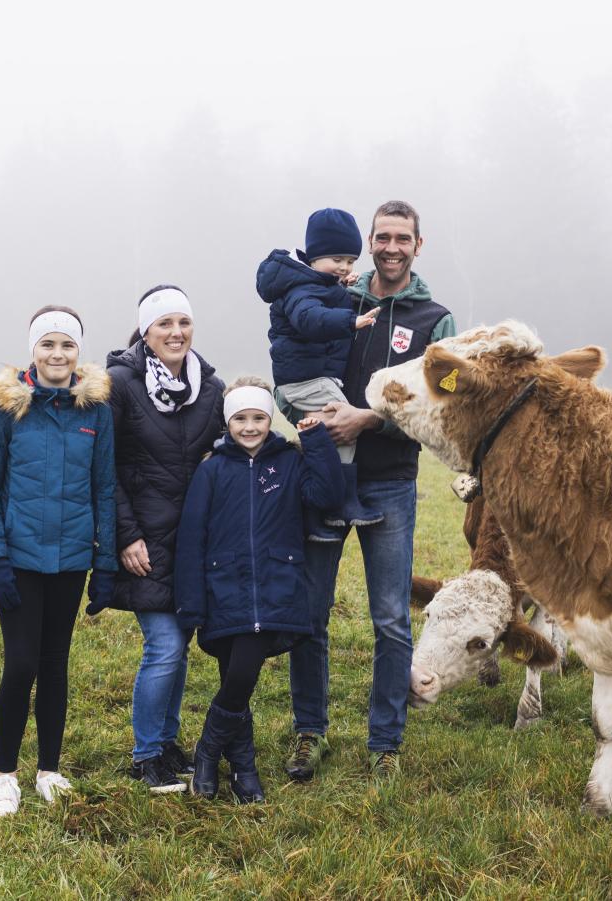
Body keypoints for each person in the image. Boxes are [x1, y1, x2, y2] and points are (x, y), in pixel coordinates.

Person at [280, 201, 457, 781]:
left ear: (418, 245)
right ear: (370, 242)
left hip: (390, 485)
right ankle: (310, 732)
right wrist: (299, 411)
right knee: (311, 614)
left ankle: (385, 743)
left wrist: (369, 419)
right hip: (322, 476)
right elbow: (291, 358)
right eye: (382, 236)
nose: (391, 247)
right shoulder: (334, 295)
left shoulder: (436, 320)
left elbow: (445, 399)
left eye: (402, 238)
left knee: (389, 619)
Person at [0, 305, 117, 818]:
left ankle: (49, 770)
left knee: (55, 664)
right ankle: (4, 774)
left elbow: (104, 487)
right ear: (33, 350)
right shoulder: (7, 408)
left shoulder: (95, 411)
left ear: (79, 352)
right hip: (20, 559)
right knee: (23, 663)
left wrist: (107, 563)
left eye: (67, 345)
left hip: (72, 558)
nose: (58, 354)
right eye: (48, 345)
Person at [174, 377, 342, 802]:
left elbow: (327, 495)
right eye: (241, 418)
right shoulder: (212, 470)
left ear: (270, 419)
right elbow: (192, 537)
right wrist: (191, 605)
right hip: (222, 589)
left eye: (258, 418)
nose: (250, 427)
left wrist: (316, 441)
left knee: (242, 674)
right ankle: (243, 769)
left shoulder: (287, 462)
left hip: (272, 589)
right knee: (234, 676)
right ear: (228, 421)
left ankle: (210, 751)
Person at [99, 285, 225, 793]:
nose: (176, 333)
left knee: (181, 644)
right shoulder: (119, 384)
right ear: (146, 333)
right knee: (165, 646)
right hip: (143, 540)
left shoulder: (211, 388)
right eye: (164, 324)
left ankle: (168, 744)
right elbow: (101, 468)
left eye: (184, 323)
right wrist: (125, 536)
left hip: (194, 542)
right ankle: (146, 753)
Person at [256, 208, 382, 542]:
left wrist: (340, 283)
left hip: (309, 378)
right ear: (314, 256)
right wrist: (349, 321)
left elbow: (326, 293)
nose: (344, 268)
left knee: (324, 439)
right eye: (336, 259)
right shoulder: (301, 290)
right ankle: (341, 502)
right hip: (305, 380)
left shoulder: (316, 282)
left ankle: (321, 511)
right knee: (346, 424)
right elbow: (309, 319)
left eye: (350, 262)